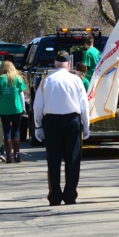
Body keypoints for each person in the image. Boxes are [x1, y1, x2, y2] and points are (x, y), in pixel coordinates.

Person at [33, 50, 90, 206]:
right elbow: (84, 105)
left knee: (54, 160)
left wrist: (37, 126)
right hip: (72, 120)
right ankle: (70, 195)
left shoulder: (46, 80)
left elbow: (38, 106)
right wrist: (86, 124)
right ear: (69, 64)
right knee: (73, 159)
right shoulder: (76, 80)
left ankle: (55, 195)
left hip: (52, 122)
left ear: (55, 64)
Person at [0, 60, 27, 163]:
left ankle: (8, 157)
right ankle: (17, 155)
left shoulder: (0, 79)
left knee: (7, 131)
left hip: (4, 109)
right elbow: (22, 95)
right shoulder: (18, 78)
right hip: (17, 108)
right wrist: (23, 107)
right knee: (16, 131)